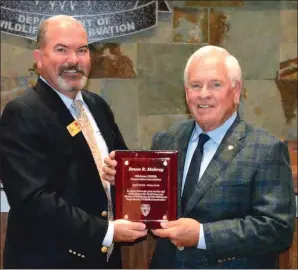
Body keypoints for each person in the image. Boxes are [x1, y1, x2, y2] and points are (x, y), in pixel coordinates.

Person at [103, 45, 296, 269]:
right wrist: (126, 185)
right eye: (196, 85)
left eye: (215, 84)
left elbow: (277, 229)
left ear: (236, 91)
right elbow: (152, 206)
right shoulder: (166, 139)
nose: (204, 94)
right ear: (186, 93)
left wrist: (203, 235)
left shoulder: (266, 149)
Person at [0, 15, 147, 269]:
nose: (73, 60)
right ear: (38, 58)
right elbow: (34, 201)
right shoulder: (21, 113)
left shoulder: (97, 105)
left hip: (103, 260)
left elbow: (126, 166)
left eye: (81, 50)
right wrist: (108, 231)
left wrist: (122, 174)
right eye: (61, 49)